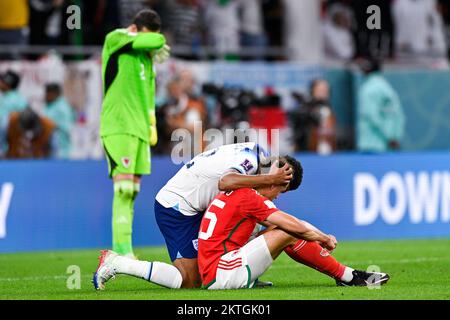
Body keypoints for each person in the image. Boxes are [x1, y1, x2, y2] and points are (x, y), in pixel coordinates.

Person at [93, 142, 294, 289]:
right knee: (190, 281)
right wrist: (269, 178)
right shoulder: (251, 160)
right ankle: (118, 263)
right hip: (176, 207)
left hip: (197, 206)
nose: (275, 196)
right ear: (274, 178)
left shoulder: (258, 156)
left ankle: (246, 277)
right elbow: (225, 181)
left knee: (246, 220)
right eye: (278, 189)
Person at [197, 160, 390, 289]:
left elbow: (295, 223)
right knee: (286, 233)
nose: (278, 196)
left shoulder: (239, 192)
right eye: (281, 189)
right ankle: (348, 277)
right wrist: (324, 239)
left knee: (280, 230)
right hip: (222, 273)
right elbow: (295, 228)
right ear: (273, 183)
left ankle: (346, 275)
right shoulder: (250, 197)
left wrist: (322, 235)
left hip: (215, 268)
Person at [99, 9, 171, 258]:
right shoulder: (116, 40)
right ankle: (121, 250)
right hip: (118, 126)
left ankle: (125, 251)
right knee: (123, 189)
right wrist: (157, 40)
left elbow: (148, 96)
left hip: (139, 131)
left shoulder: (147, 60)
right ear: (134, 29)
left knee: (133, 190)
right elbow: (156, 40)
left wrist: (151, 125)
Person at [357, 57, 405, 152]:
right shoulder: (387, 87)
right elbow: (399, 115)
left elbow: (372, 116)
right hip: (388, 145)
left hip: (371, 144)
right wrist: (395, 136)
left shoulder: (368, 89)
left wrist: (389, 137)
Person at [43, 83, 75, 159]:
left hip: (61, 153)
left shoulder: (62, 108)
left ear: (55, 94)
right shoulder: (50, 105)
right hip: (51, 152)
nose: (46, 95)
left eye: (48, 93)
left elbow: (67, 129)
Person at [0, 70, 28, 156]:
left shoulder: (18, 100)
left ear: (8, 84)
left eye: (2, 81)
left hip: (9, 147)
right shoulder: (4, 97)